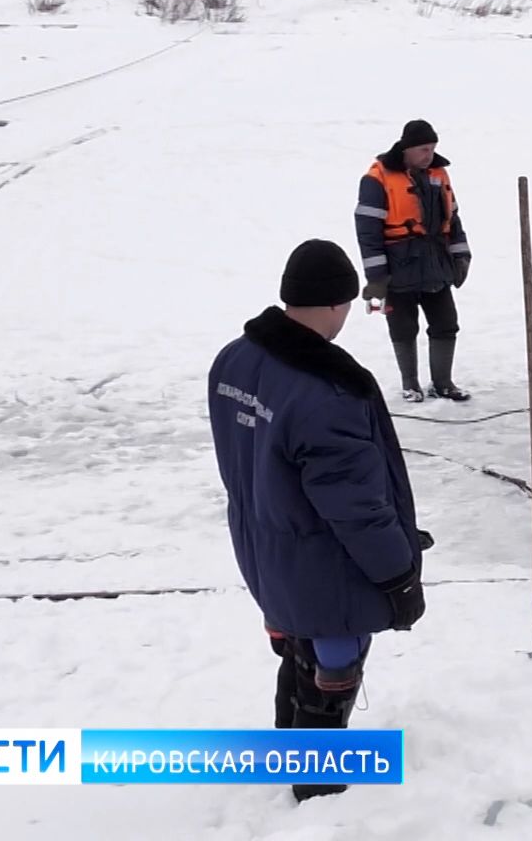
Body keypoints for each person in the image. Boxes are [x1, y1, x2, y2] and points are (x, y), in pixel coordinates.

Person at [206, 239, 428, 802]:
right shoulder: (325, 394)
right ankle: (319, 789)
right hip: (325, 562)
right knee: (334, 659)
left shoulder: (235, 359)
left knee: (300, 646)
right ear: (337, 303)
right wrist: (398, 576)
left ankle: (292, 750)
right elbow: (357, 509)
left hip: (266, 543)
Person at [356, 119, 473, 402]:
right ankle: (410, 385)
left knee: (446, 323)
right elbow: (368, 232)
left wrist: (461, 255)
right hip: (399, 269)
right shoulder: (377, 179)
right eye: (423, 149)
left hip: (436, 265)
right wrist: (377, 278)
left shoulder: (439, 175)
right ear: (407, 149)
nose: (429, 155)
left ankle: (443, 383)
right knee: (403, 327)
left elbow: (452, 219)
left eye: (432, 148)